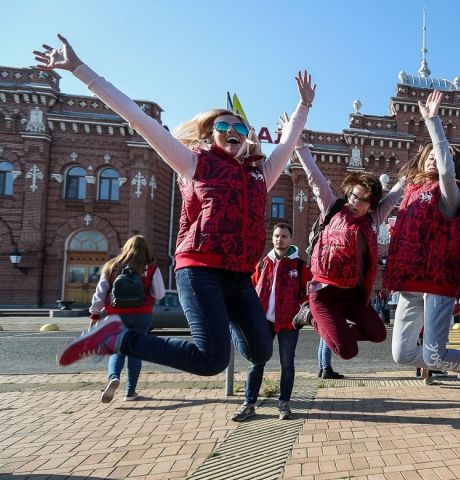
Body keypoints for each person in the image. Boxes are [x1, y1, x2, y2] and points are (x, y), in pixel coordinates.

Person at [38, 35, 314, 376]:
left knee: (260, 351)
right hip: (200, 269)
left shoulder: (260, 175)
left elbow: (286, 145)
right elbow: (139, 119)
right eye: (221, 126)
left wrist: (304, 106)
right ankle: (117, 338)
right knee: (212, 360)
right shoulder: (193, 162)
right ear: (210, 134)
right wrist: (80, 69)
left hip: (239, 276)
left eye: (238, 126)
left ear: (246, 136)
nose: (231, 130)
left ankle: (222, 318)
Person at [383, 90, 460, 394]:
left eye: (440, 153)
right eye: (429, 153)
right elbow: (383, 208)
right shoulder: (410, 189)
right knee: (402, 355)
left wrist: (433, 123)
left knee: (433, 355)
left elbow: (445, 167)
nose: (434, 157)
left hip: (437, 283)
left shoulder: (451, 190)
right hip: (409, 282)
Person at [291, 135, 404, 360]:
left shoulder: (372, 221)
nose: (355, 202)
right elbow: (315, 179)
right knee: (347, 351)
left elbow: (393, 197)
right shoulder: (333, 208)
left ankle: (339, 331)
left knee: (378, 333)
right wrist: (300, 146)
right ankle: (310, 316)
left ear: (371, 205)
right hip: (324, 294)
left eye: (363, 200)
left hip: (353, 295)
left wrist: (417, 168)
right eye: (354, 196)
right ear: (348, 192)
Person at [233, 223, 312, 422]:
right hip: (262, 322)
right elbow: (250, 288)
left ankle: (284, 403)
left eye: (284, 236)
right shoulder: (263, 263)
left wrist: (300, 311)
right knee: (257, 362)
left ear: (291, 239)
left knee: (287, 364)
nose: (279, 239)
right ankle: (249, 404)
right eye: (277, 235)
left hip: (289, 323)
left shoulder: (299, 266)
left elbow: (309, 294)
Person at [88, 235, 165, 403]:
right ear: (146, 250)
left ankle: (113, 377)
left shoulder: (111, 266)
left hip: (115, 315)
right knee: (135, 352)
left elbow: (100, 293)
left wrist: (94, 314)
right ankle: (130, 393)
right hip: (142, 315)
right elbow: (159, 294)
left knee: (117, 349)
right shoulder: (151, 268)